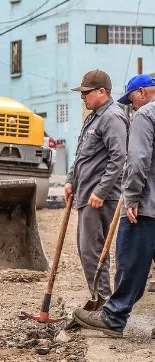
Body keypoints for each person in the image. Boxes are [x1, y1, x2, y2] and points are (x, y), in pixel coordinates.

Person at [73, 74, 155, 337]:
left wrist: (130, 197)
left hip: (145, 205)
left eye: (131, 99)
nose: (132, 105)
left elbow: (134, 159)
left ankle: (113, 315)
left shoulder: (143, 115)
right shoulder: (98, 118)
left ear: (142, 92)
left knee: (129, 260)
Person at [64, 70, 128, 302]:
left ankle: (104, 301)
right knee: (86, 250)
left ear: (102, 92)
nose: (83, 97)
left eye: (87, 93)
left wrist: (101, 191)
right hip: (86, 193)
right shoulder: (94, 117)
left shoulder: (112, 117)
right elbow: (82, 154)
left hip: (101, 197)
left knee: (93, 251)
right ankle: (98, 298)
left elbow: (119, 158)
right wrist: (71, 180)